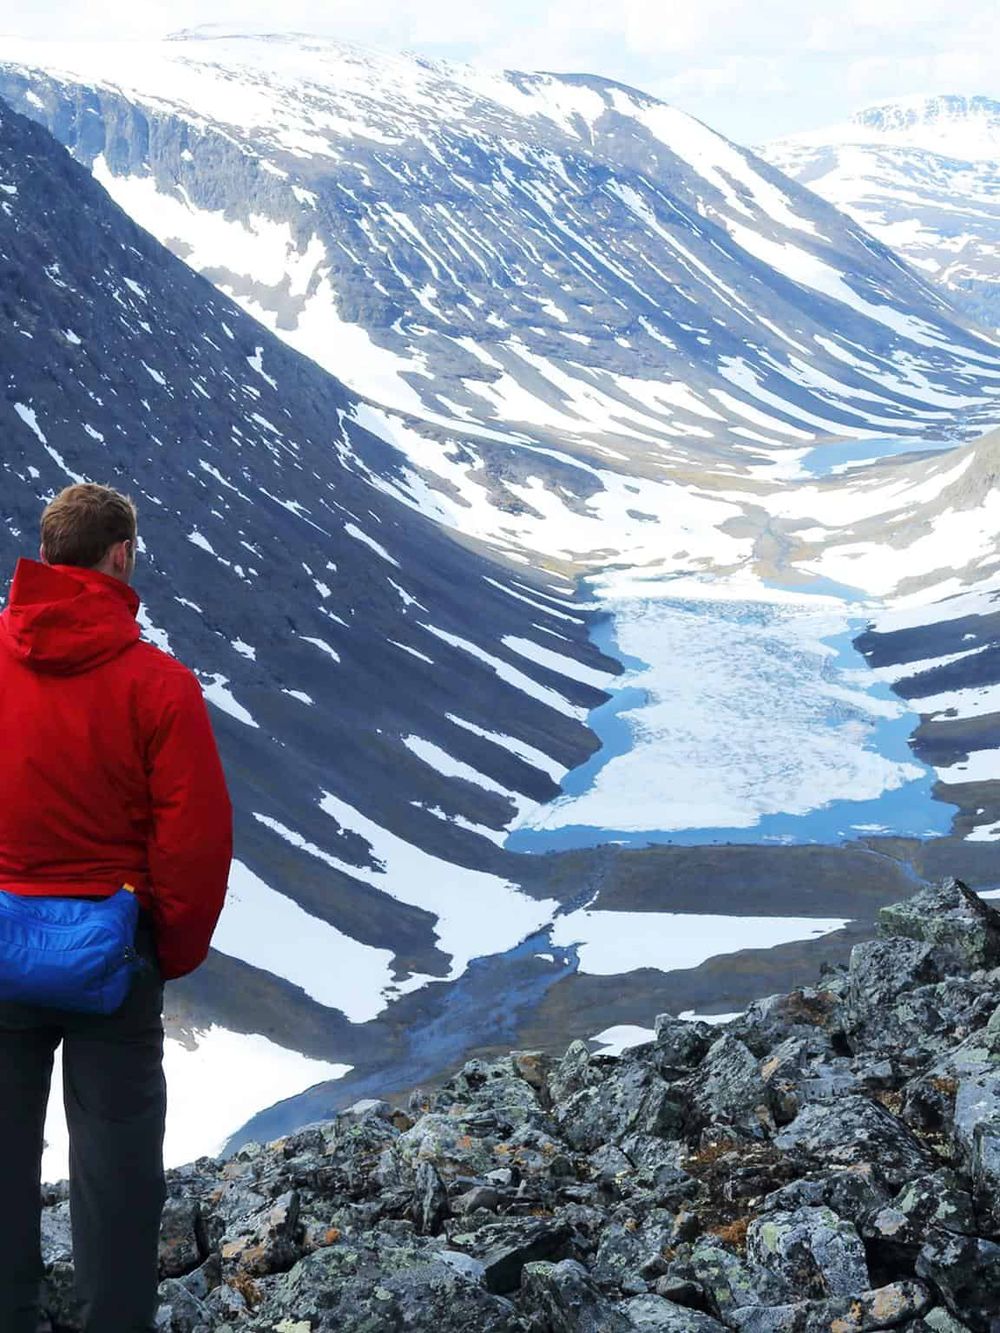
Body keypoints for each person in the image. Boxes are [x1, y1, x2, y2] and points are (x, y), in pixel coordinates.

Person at [0, 483, 233, 1333]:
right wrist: (166, 946)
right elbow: (196, 840)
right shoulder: (158, 685)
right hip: (113, 953)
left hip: (1, 943)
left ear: (47, 553)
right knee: (118, 1169)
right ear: (121, 556)